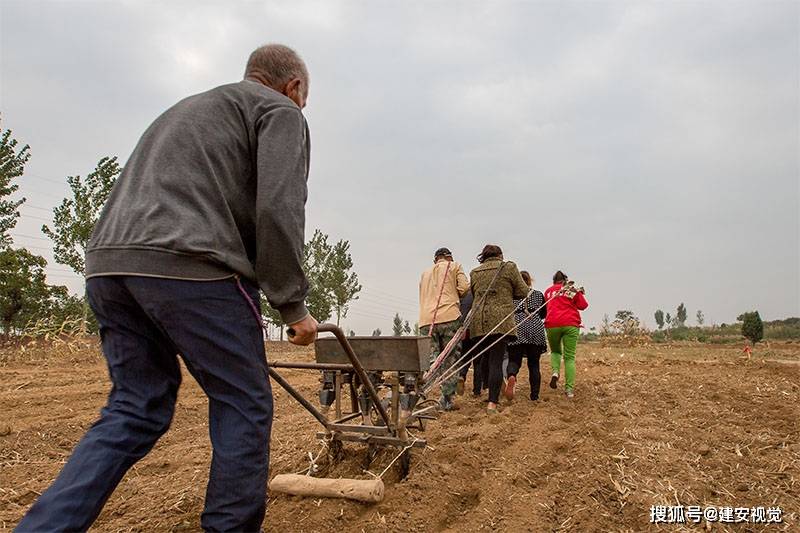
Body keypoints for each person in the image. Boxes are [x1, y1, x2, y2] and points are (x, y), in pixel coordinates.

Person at [16, 44, 318, 533]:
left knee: (136, 406)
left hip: (108, 267)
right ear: (294, 87)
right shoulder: (280, 110)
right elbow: (277, 209)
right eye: (303, 100)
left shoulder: (190, 109)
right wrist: (291, 304)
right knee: (244, 402)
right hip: (190, 266)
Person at [468, 245, 528, 414]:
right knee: (496, 360)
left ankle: (489, 389)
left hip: (479, 322)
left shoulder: (475, 272)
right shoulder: (509, 267)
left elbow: (475, 294)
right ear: (500, 255)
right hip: (499, 322)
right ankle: (492, 402)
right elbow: (523, 291)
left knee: (485, 359)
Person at [419, 247, 469, 411]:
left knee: (433, 359)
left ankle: (424, 390)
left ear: (435, 260)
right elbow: (464, 288)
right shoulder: (455, 266)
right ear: (449, 257)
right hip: (449, 317)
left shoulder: (425, 273)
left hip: (426, 320)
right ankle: (447, 399)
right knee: (449, 359)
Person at [545, 270, 588, 399]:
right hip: (570, 324)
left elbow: (545, 307)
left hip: (552, 324)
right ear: (565, 280)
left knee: (555, 352)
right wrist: (579, 293)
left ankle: (555, 372)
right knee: (569, 357)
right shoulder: (571, 289)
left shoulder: (548, 291)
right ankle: (569, 390)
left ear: (554, 281)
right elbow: (583, 305)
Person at [504, 271, 548, 401]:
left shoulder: (511, 296)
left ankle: (512, 375)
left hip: (517, 327)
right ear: (529, 281)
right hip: (535, 328)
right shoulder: (538, 295)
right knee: (534, 364)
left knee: (514, 360)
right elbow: (543, 313)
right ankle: (534, 396)